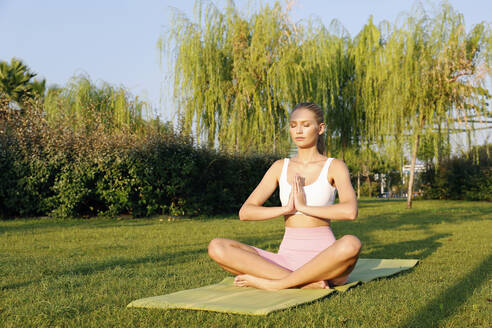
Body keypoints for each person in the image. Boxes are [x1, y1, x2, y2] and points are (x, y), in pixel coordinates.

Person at [208, 102, 361, 290]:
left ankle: (277, 284)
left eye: (306, 125)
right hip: (285, 259)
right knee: (217, 247)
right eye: (293, 125)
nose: (298, 131)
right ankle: (304, 282)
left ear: (320, 129)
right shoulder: (280, 167)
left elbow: (350, 211)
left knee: (351, 244)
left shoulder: (334, 166)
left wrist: (304, 208)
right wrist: (286, 209)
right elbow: (246, 212)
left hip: (325, 258)